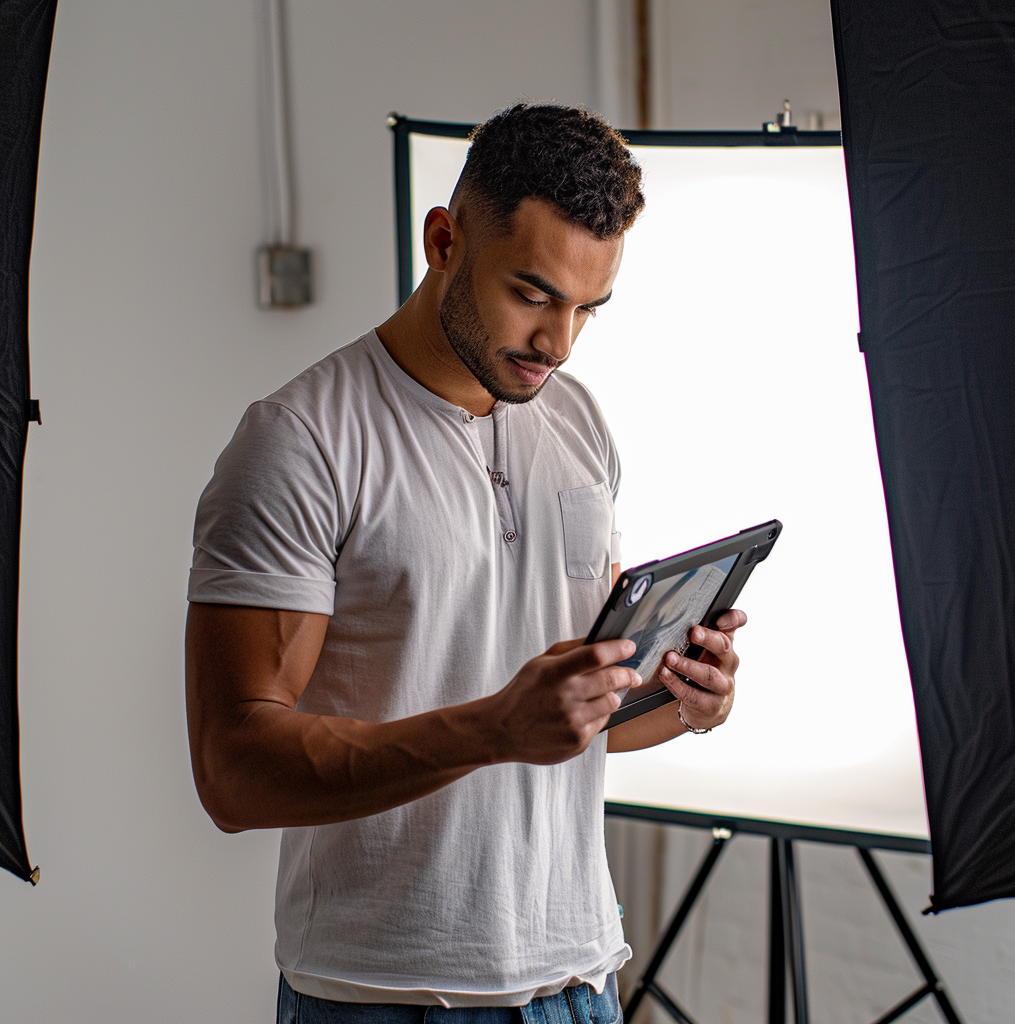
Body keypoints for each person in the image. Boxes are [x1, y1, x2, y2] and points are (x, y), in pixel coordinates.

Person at [185, 103, 746, 1024]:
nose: (557, 344)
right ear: (444, 240)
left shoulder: (579, 421)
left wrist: (684, 699)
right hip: (386, 997)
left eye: (585, 310)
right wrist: (492, 727)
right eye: (531, 294)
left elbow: (583, 716)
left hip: (581, 983)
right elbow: (232, 771)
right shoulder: (302, 441)